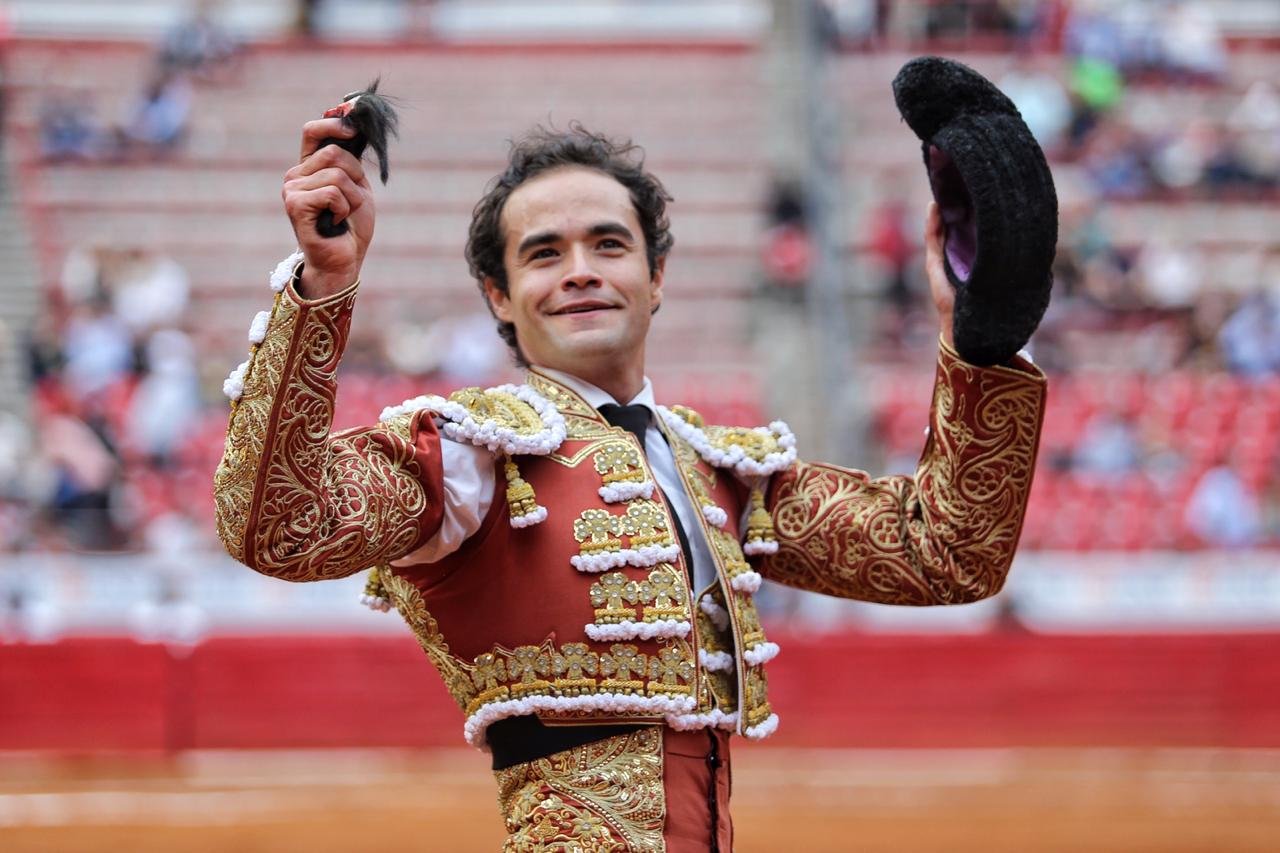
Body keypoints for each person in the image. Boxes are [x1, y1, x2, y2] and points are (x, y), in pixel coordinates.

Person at [213, 119, 1048, 850]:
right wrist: (323, 289)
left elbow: (945, 551)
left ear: (657, 277)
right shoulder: (472, 454)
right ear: (500, 296)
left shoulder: (716, 469)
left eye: (609, 245)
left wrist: (979, 339)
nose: (580, 271)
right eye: (544, 253)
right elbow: (279, 527)